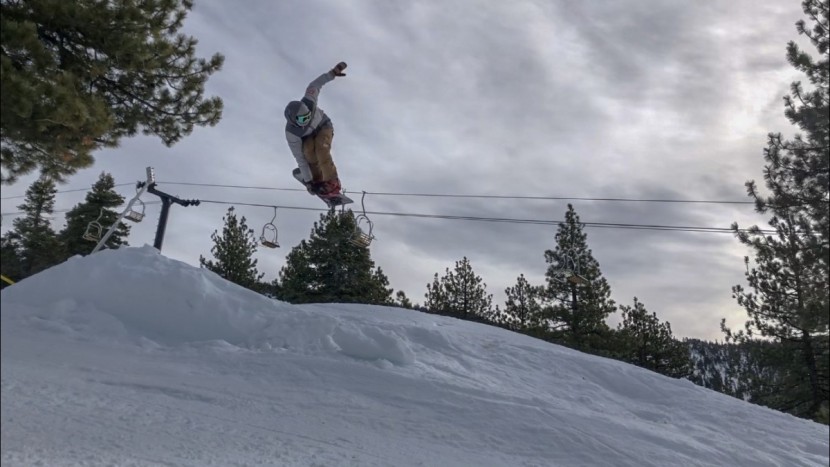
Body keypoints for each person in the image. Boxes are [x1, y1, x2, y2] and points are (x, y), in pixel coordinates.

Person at [284, 61, 347, 197]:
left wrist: (332, 73)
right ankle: (318, 179)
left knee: (321, 148)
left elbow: (316, 84)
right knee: (307, 152)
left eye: (307, 115)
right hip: (308, 137)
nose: (306, 120)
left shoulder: (309, 100)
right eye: (302, 119)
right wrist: (309, 181)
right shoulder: (292, 134)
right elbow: (299, 158)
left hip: (323, 126)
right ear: (293, 121)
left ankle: (332, 181)